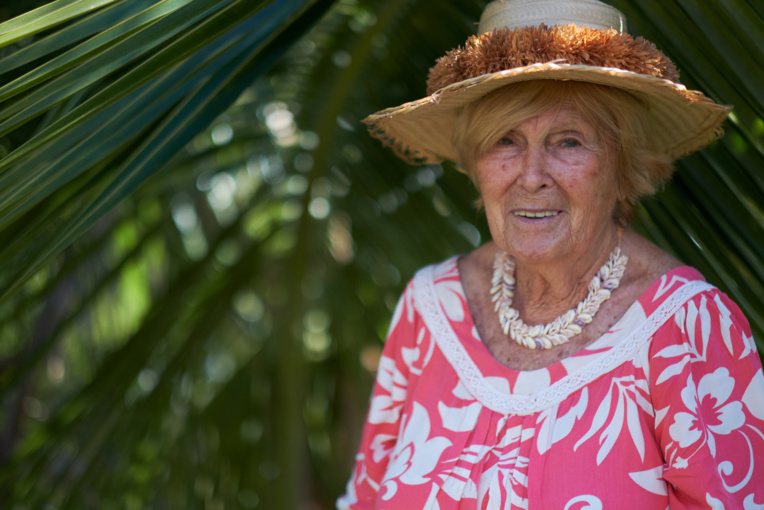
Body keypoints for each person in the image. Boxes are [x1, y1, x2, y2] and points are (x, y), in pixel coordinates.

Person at [338, 0, 764, 508]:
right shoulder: (428, 308)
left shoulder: (686, 328)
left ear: (621, 165)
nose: (532, 174)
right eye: (505, 141)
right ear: (476, 163)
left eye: (568, 141)